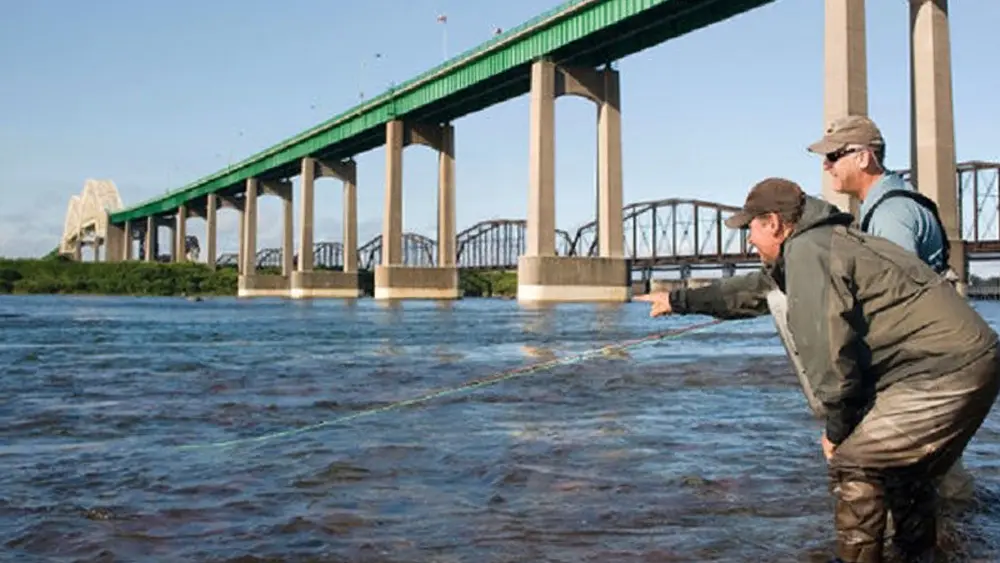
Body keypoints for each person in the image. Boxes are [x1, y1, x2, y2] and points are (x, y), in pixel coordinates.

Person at [635, 178, 1000, 563]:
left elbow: (828, 350)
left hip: (941, 371)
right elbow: (754, 291)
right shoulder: (823, 243)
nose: (747, 241)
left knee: (855, 462)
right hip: (972, 360)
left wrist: (838, 429)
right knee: (905, 473)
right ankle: (918, 556)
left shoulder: (809, 252)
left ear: (774, 222)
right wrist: (677, 299)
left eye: (750, 229)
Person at [805, 114, 973, 503]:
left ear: (864, 158)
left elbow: (897, 307)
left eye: (833, 155)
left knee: (919, 484)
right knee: (939, 479)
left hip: (923, 374)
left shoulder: (892, 216)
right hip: (939, 366)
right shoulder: (886, 208)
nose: (826, 166)